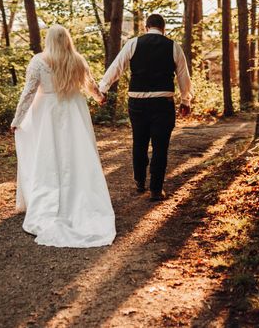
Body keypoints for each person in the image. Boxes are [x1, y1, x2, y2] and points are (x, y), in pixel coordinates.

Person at [10, 24, 116, 247]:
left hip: (47, 112)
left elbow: (28, 92)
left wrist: (17, 120)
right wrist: (99, 98)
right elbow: (90, 85)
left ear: (48, 40)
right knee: (75, 155)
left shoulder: (39, 61)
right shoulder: (77, 60)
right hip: (73, 111)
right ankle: (77, 197)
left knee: (49, 156)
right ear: (67, 39)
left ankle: (48, 199)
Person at [98, 14, 193, 201]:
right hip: (163, 103)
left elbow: (117, 67)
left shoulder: (133, 44)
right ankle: (156, 189)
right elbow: (183, 75)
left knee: (139, 142)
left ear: (146, 27)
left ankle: (140, 182)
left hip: (137, 103)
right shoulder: (173, 46)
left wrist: (103, 89)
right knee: (160, 146)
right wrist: (185, 101)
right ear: (163, 28)